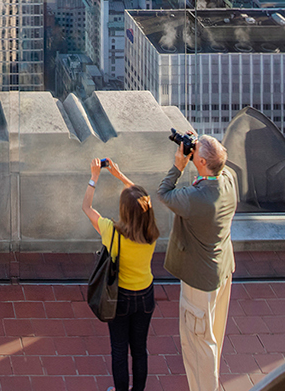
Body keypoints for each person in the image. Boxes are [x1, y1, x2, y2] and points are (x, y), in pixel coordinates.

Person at [158, 134, 237, 391]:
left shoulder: (196, 199)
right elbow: (217, 164)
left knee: (198, 345)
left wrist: (179, 165)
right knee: (212, 337)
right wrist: (201, 151)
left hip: (199, 282)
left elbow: (164, 193)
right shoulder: (228, 180)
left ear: (200, 161)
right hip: (222, 271)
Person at [83, 158, 160, 391]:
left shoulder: (111, 232)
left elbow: (87, 208)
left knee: (119, 350)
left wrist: (94, 177)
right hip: (145, 296)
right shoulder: (151, 232)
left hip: (120, 299)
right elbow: (144, 202)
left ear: (123, 211)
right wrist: (121, 175)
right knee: (139, 349)